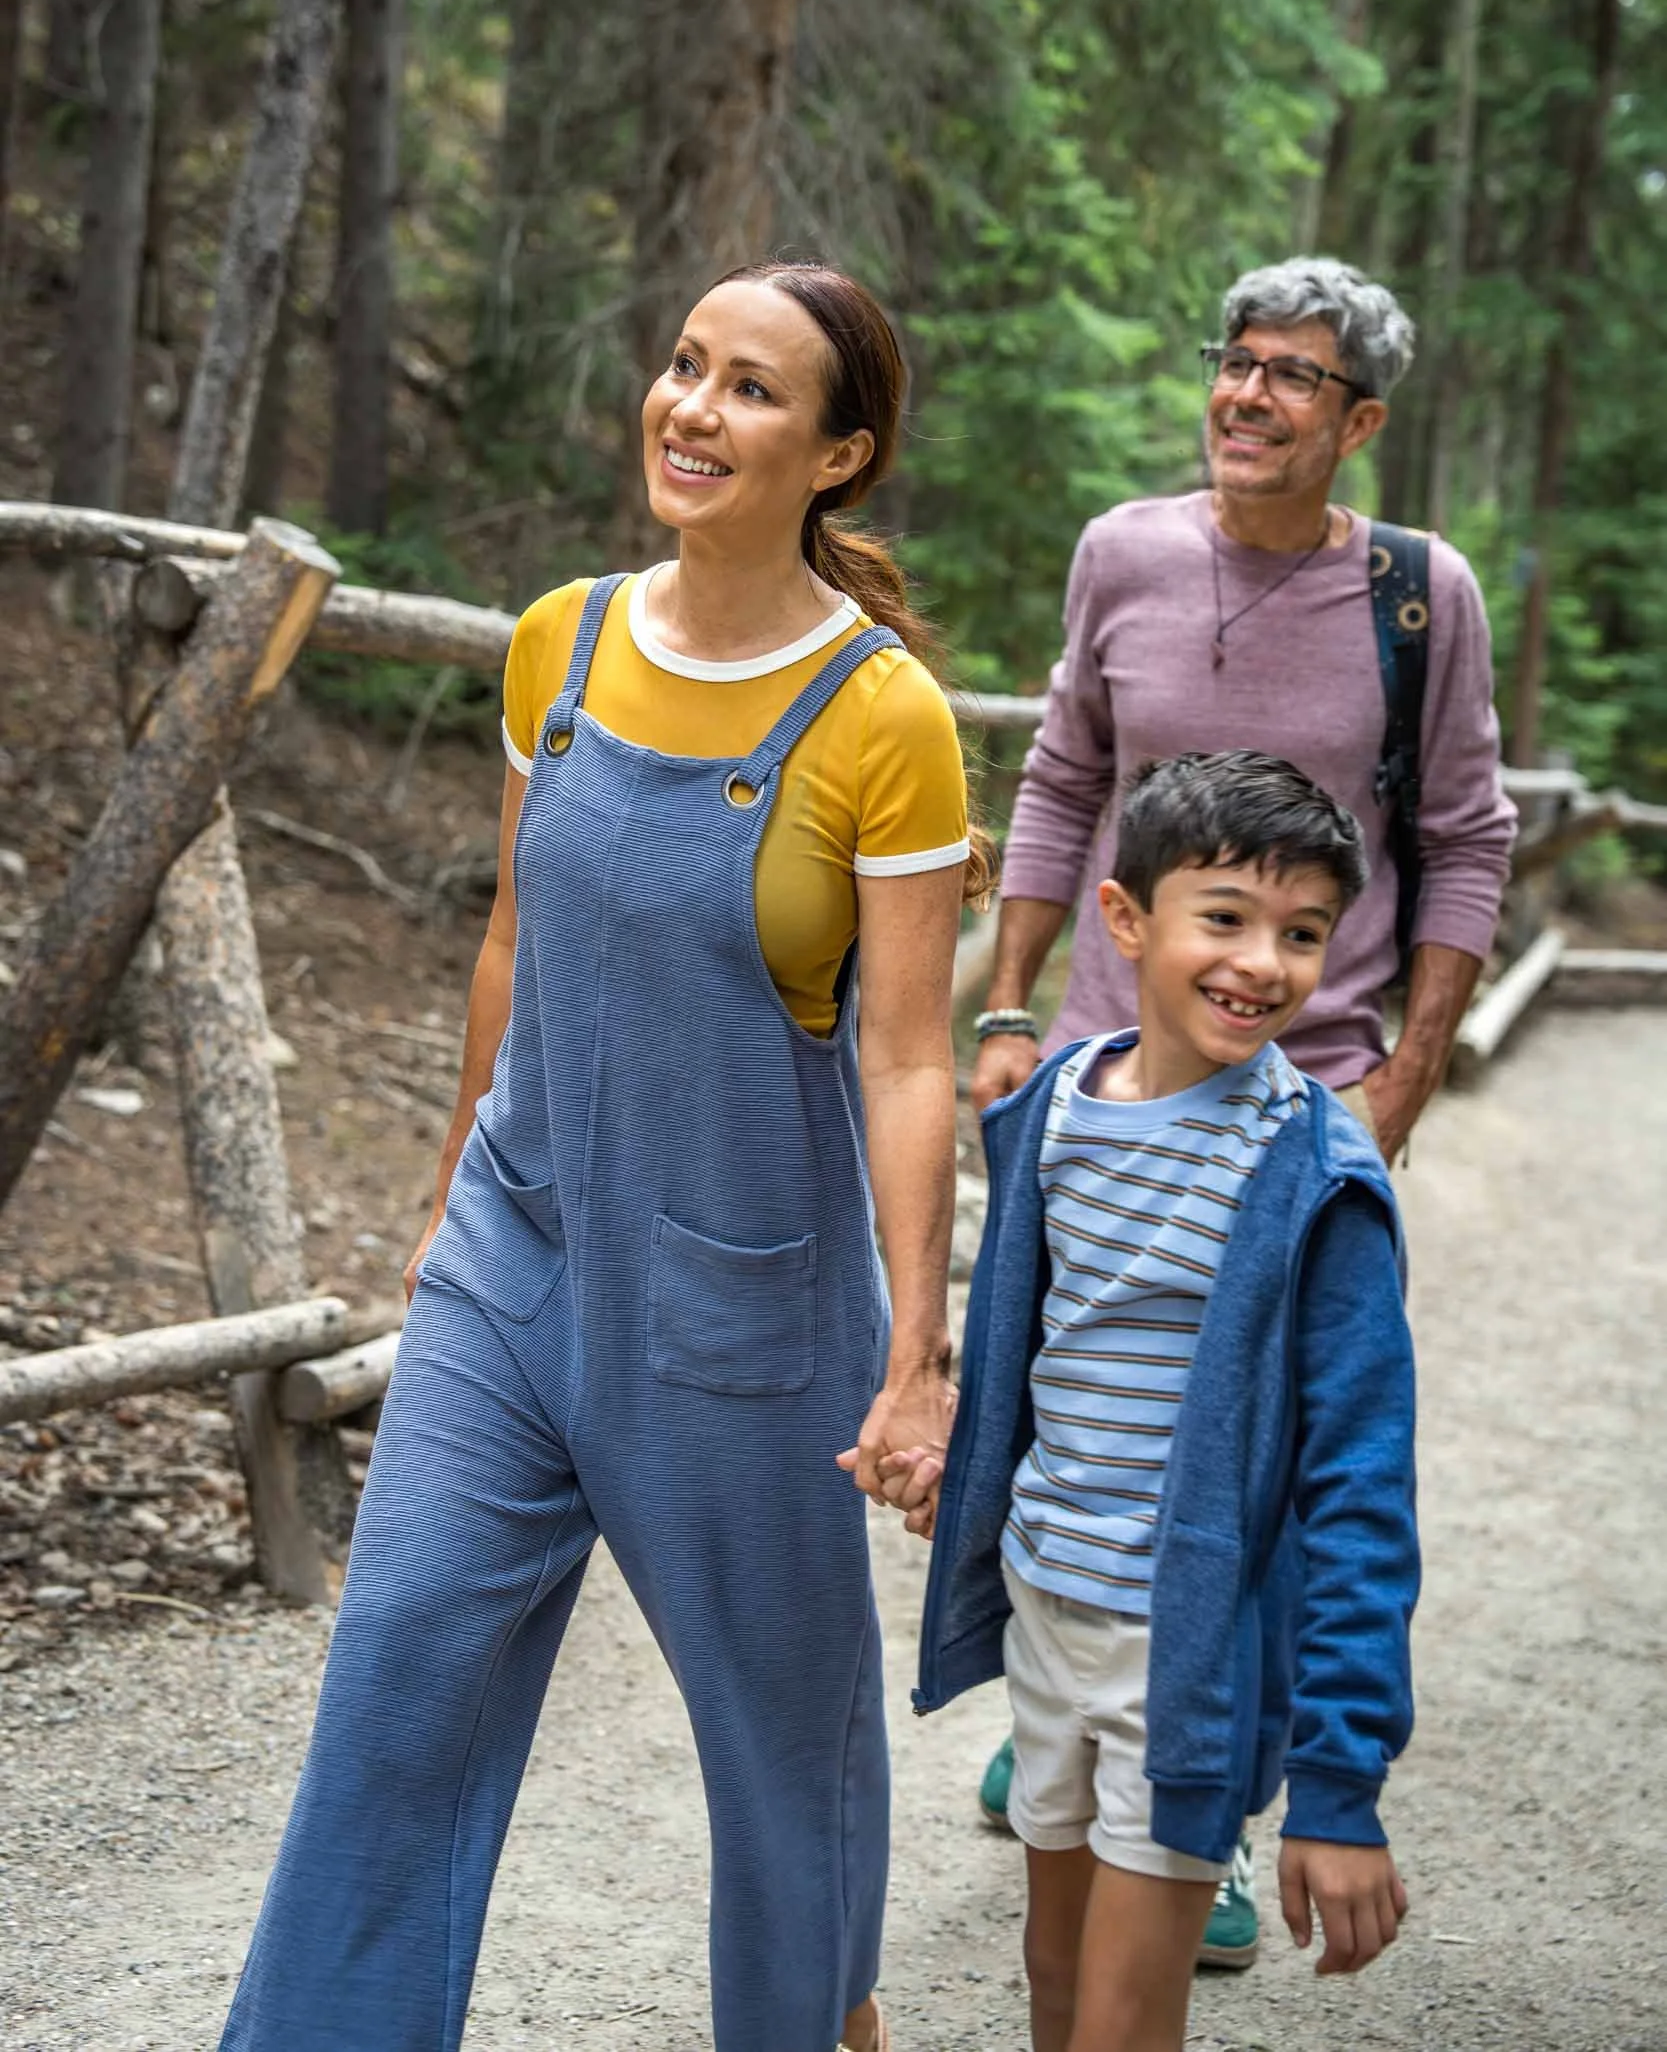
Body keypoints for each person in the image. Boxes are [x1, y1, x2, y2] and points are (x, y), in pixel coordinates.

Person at [216, 260, 986, 2052]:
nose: (692, 409)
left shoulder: (884, 720)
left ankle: (819, 2021)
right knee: (397, 1678)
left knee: (781, 1741)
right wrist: (446, 1218)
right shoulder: (561, 635)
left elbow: (905, 1057)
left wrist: (913, 1353)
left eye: (752, 391)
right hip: (517, 1260)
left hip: (742, 1311)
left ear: (837, 453)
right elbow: (508, 941)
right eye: (683, 366)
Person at [969, 256, 1513, 1962]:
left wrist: (1396, 1083)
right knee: (1082, 1398)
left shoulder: (1416, 599)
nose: (1248, 396)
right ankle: (1071, 1697)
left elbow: (1469, 835)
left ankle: (1196, 1796)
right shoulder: (1122, 553)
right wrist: (1007, 1008)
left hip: (1299, 1091)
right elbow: (1066, 775)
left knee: (1263, 1450)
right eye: (1235, 362)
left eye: (1294, 378)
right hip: (1101, 1078)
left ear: (1354, 423)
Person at [900, 751, 1420, 2052]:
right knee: (1052, 1980)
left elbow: (1360, 1486)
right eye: (1226, 918)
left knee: (1123, 2027)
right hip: (1042, 1613)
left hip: (1179, 1657)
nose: (1263, 962)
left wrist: (1337, 1784)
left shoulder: (1317, 1184)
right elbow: (1044, 1359)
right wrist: (956, 1466)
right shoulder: (1050, 1117)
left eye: (1301, 934)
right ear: (1125, 919)